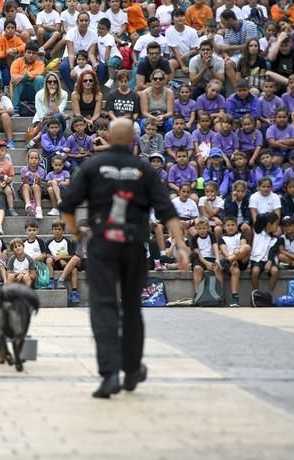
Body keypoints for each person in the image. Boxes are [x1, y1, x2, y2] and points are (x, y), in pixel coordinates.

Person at [58, 117, 190, 399]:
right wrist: (180, 246)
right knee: (131, 308)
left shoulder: (93, 166)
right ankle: (131, 370)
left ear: (108, 137)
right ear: (133, 140)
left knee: (103, 307)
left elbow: (67, 206)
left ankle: (109, 376)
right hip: (133, 245)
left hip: (103, 244)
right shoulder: (144, 169)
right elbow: (167, 212)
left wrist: (79, 236)